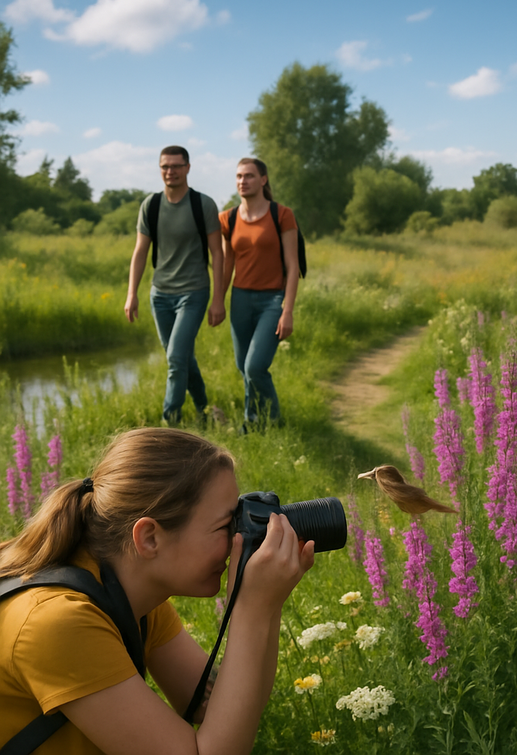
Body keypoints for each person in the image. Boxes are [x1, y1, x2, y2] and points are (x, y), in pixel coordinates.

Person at [0, 427, 314, 754]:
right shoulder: (57, 621)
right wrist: (253, 610)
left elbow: (221, 705)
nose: (239, 539)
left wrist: (268, 602)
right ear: (149, 537)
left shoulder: (134, 596)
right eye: (226, 526)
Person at [125, 146, 225, 423]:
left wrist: (218, 299)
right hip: (160, 296)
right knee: (181, 358)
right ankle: (204, 409)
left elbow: (218, 253)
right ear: (160, 170)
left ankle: (170, 422)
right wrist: (131, 293)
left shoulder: (203, 204)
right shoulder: (151, 205)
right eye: (165, 166)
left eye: (176, 166)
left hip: (193, 292)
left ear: (188, 168)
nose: (170, 171)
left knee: (176, 360)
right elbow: (140, 252)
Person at [220, 158, 299, 429]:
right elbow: (227, 263)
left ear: (263, 180)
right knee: (244, 369)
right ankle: (251, 423)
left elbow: (292, 265)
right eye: (239, 176)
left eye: (250, 176)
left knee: (255, 367)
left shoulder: (281, 214)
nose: (243, 181)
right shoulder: (228, 218)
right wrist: (218, 300)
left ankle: (273, 420)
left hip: (272, 300)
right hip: (240, 298)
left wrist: (287, 311)